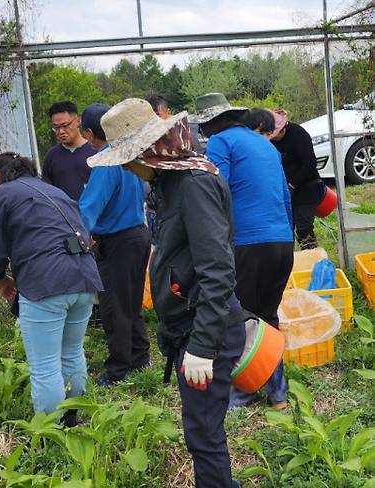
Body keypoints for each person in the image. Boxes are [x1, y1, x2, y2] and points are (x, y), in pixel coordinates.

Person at [87, 98, 244, 488]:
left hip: (204, 325)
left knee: (203, 435)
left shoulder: (192, 184)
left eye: (127, 157)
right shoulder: (169, 182)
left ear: (148, 149)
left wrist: (204, 346)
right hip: (187, 324)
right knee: (201, 430)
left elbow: (218, 270)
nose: (125, 166)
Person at [0, 152, 102, 424]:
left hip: (46, 282)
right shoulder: (55, 192)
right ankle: (73, 416)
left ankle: (50, 431)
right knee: (72, 351)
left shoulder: (1, 194)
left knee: (45, 366)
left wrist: (0, 279)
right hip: (85, 277)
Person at [190, 93, 293, 409]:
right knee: (267, 316)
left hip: (249, 243)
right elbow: (285, 197)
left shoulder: (221, 143)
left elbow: (217, 191)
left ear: (210, 123)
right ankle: (278, 394)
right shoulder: (266, 145)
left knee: (241, 320)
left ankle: (242, 393)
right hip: (281, 242)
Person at [78, 102, 151, 385]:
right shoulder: (127, 155)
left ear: (88, 132)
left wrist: (77, 240)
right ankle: (139, 356)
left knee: (114, 306)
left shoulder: (106, 162)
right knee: (130, 302)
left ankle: (118, 369)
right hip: (137, 235)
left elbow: (88, 209)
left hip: (119, 241)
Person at [269, 109, 325, 249]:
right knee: (286, 229)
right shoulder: (270, 142)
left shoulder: (298, 134)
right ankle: (289, 262)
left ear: (282, 129)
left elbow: (310, 163)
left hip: (307, 187)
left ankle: (312, 260)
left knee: (304, 228)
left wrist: (292, 185)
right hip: (285, 189)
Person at [42, 101, 97, 201]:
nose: (61, 131)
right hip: (63, 214)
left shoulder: (95, 152)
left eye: (65, 125)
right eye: (56, 127)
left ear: (78, 121)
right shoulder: (51, 156)